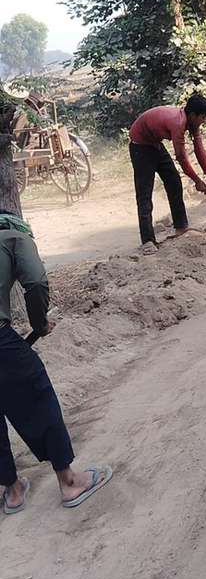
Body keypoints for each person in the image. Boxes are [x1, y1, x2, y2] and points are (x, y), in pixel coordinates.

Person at [0, 212, 112, 514]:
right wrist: (39, 324)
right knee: (37, 395)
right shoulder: (15, 236)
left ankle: (12, 490)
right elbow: (36, 281)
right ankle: (70, 481)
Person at [129, 94, 206, 253]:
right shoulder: (178, 123)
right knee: (144, 194)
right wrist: (197, 181)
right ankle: (147, 241)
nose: (204, 120)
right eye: (203, 117)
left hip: (155, 143)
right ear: (193, 115)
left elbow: (199, 149)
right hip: (140, 146)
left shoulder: (192, 123)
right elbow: (181, 157)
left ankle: (181, 227)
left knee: (174, 182)